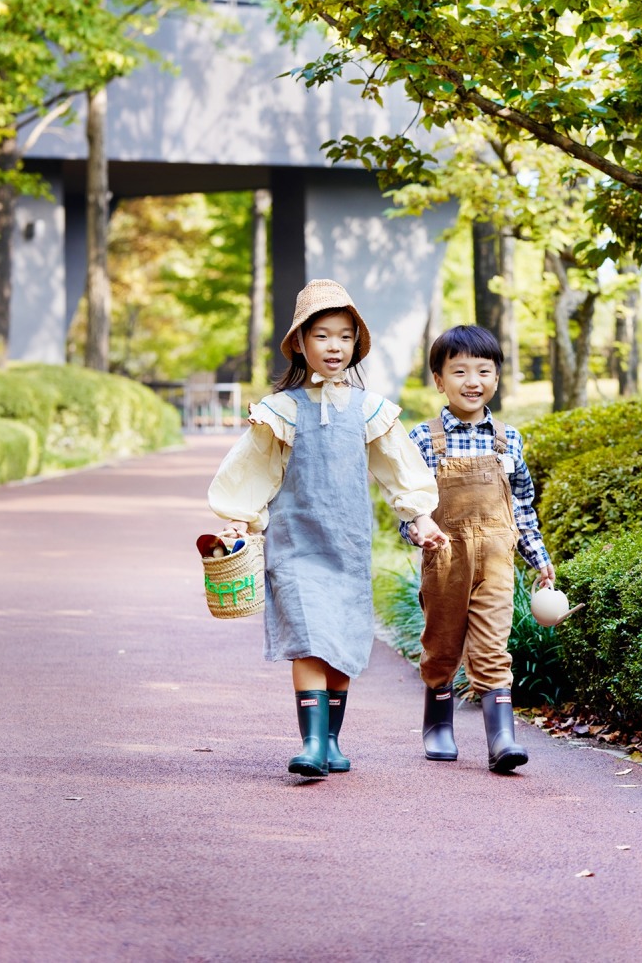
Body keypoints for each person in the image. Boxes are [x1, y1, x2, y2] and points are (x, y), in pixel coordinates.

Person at [207, 279, 448, 778]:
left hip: (348, 545)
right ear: (300, 342)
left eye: (343, 336)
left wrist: (421, 517)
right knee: (310, 636)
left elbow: (401, 471)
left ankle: (332, 742)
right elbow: (252, 470)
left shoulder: (371, 410)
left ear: (355, 344)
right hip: (293, 545)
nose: (333, 346)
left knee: (340, 639)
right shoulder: (279, 410)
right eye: (321, 335)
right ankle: (312, 744)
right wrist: (236, 516)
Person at [404, 324, 556, 773]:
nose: (473, 381)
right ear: (439, 380)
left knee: (493, 646)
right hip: (445, 561)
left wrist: (539, 558)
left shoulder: (508, 439)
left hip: (496, 561)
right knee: (442, 646)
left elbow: (523, 506)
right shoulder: (423, 439)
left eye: (484, 371)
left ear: (497, 376)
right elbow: (408, 504)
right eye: (460, 371)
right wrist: (417, 529)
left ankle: (502, 738)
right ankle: (438, 726)